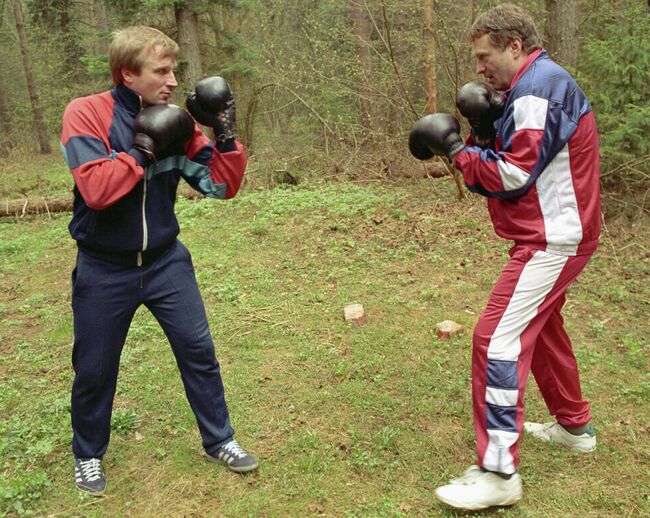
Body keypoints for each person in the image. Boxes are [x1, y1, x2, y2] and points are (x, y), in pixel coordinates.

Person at [408, 3, 601, 511]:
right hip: (554, 233)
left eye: (484, 55)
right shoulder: (529, 87)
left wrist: (456, 150)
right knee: (544, 328)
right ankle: (574, 426)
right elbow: (511, 162)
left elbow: (513, 176)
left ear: (514, 46)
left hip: (553, 238)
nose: (478, 67)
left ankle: (498, 471)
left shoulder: (537, 90)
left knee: (496, 340)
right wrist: (484, 133)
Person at [60, 26, 258, 496]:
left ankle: (220, 440)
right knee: (95, 367)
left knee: (198, 351)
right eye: (161, 71)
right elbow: (96, 189)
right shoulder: (86, 114)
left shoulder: (177, 123)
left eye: (174, 70)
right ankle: (88, 454)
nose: (172, 81)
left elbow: (220, 185)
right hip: (104, 267)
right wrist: (142, 152)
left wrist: (226, 134)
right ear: (129, 73)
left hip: (166, 261)